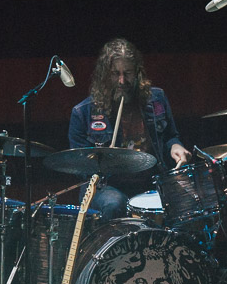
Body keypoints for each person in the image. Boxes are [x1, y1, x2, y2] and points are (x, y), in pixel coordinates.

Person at [68, 38, 192, 220]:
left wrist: (176, 146)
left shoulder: (156, 99)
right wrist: (106, 162)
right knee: (115, 203)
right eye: (115, 74)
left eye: (127, 73)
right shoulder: (83, 112)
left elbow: (170, 137)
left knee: (189, 198)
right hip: (106, 185)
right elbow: (80, 166)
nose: (122, 81)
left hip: (150, 180)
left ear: (137, 73)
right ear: (104, 75)